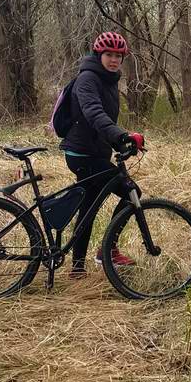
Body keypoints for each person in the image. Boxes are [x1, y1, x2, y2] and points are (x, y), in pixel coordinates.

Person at [60, 32, 144, 278]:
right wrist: (121, 135)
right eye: (109, 54)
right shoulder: (87, 79)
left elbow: (101, 122)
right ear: (98, 55)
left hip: (94, 152)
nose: (114, 59)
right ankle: (107, 250)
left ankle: (78, 267)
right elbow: (94, 113)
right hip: (82, 154)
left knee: (88, 207)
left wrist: (120, 144)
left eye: (118, 55)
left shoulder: (108, 80)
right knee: (132, 192)